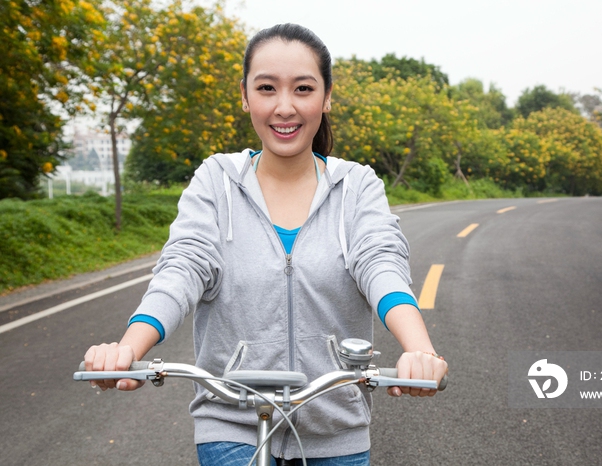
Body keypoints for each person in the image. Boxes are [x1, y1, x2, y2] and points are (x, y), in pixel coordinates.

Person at [83, 23, 448, 466]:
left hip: (336, 429)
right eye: (267, 88)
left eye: (303, 88)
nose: (284, 107)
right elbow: (183, 267)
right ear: (245, 96)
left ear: (326, 97)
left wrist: (419, 350)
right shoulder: (216, 181)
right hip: (230, 422)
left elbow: (381, 264)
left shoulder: (356, 186)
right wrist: (128, 348)